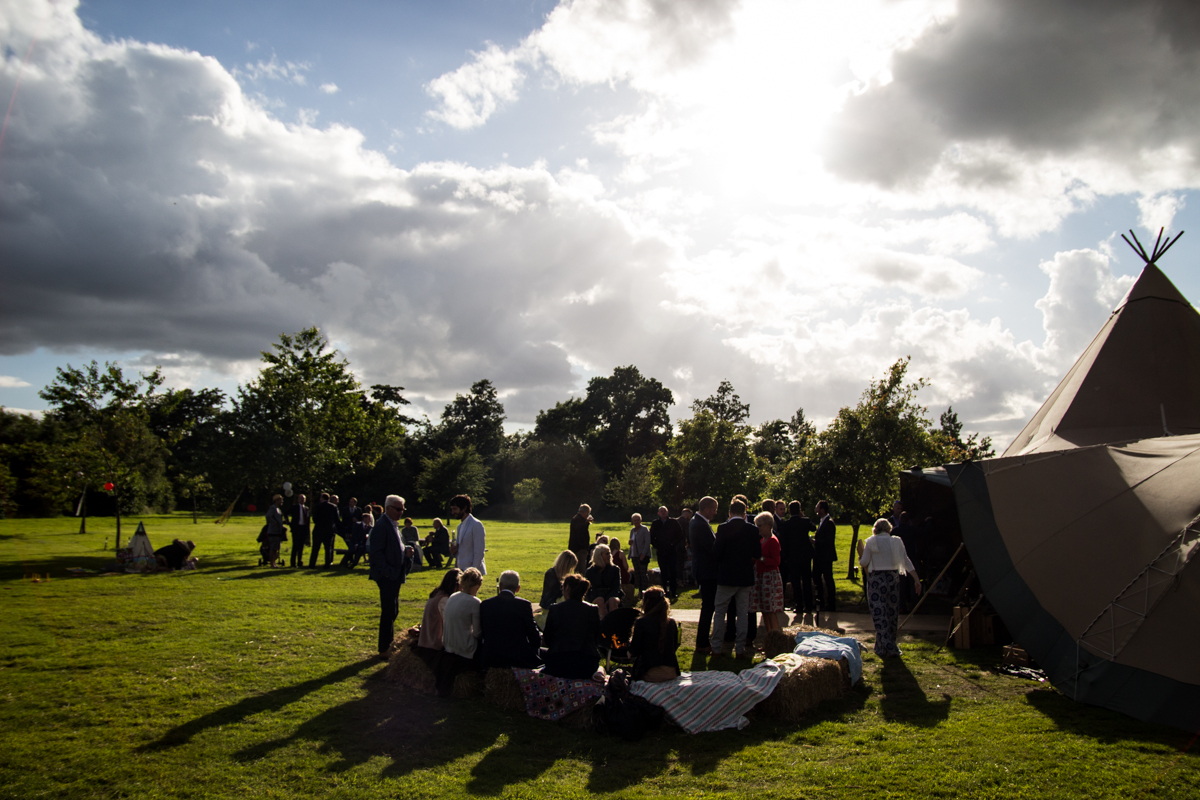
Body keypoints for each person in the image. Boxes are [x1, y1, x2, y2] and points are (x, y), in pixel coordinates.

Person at [860, 518, 922, 657]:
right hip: (892, 579)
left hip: (876, 580)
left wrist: (861, 557)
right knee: (891, 613)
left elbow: (864, 561)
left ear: (875, 529)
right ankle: (882, 647)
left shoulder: (871, 541)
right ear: (889, 529)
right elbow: (906, 560)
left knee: (879, 614)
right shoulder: (897, 541)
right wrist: (916, 580)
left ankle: (889, 647)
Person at [710, 499, 761, 658]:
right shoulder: (752, 530)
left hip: (726, 575)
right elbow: (758, 554)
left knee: (720, 612)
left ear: (730, 513)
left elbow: (716, 553)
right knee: (742, 613)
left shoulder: (723, 528)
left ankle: (717, 647)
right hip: (745, 576)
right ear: (744, 513)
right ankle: (740, 649)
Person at [368, 495, 410, 658]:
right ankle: (384, 648)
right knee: (388, 611)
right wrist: (388, 572)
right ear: (388, 509)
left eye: (403, 509)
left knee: (393, 610)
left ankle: (388, 644)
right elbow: (376, 553)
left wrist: (406, 551)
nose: (401, 513)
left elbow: (394, 547)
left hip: (394, 574)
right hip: (387, 576)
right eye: (398, 509)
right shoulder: (381, 526)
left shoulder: (393, 525)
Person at [542, 574, 601, 679]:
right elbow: (597, 637)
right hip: (586, 663)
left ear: (567, 588)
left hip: (558, 662)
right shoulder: (592, 610)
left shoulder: (555, 609)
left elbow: (547, 637)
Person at [480, 570, 542, 669]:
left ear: (500, 586)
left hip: (491, 657)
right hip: (517, 659)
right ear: (518, 588)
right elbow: (533, 635)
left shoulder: (486, 604)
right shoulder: (523, 605)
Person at [438, 567, 484, 696]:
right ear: (477, 585)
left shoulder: (452, 597)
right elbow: (477, 633)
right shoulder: (475, 602)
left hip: (448, 644)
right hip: (464, 648)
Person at [629, 586, 681, 682]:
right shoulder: (672, 622)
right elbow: (674, 646)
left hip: (650, 672)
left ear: (647, 602)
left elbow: (634, 649)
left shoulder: (642, 622)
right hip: (671, 671)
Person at [689, 496, 719, 654]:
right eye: (714, 509)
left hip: (704, 570)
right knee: (708, 607)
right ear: (706, 509)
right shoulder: (700, 524)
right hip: (707, 571)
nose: (715, 513)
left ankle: (703, 640)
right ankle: (702, 642)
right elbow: (711, 548)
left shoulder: (698, 522)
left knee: (709, 606)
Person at [778, 501, 816, 614]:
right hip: (805, 555)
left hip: (792, 557)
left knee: (795, 582)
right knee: (806, 581)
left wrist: (784, 556)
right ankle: (808, 605)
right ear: (799, 510)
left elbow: (783, 542)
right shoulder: (805, 521)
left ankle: (799, 605)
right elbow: (813, 528)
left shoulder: (786, 524)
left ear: (789, 511)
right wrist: (803, 517)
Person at [418, 568, 462, 664]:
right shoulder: (444, 600)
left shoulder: (437, 594)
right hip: (435, 642)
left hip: (428, 638)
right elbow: (450, 623)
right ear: (455, 585)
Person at [751, 511, 784, 633]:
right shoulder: (762, 540)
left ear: (768, 525)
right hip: (761, 577)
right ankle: (768, 638)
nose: (758, 529)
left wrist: (761, 559)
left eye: (760, 526)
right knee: (764, 611)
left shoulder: (773, 541)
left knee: (771, 611)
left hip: (770, 578)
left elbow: (776, 561)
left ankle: (774, 635)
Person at [649, 506, 683, 599]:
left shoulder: (674, 522)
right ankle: (664, 591)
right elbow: (651, 537)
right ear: (658, 513)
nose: (663, 513)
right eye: (661, 511)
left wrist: (673, 544)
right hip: (661, 551)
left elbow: (680, 535)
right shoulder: (655, 523)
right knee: (663, 572)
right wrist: (657, 546)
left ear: (667, 512)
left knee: (673, 571)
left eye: (664, 511)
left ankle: (673, 591)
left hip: (672, 551)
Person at [585, 543, 623, 619]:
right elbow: (588, 590)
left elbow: (616, 588)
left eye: (609, 553)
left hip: (612, 595)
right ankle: (601, 625)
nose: (609, 556)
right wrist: (600, 600)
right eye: (607, 554)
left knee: (612, 600)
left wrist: (607, 600)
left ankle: (613, 626)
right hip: (596, 596)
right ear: (599, 556)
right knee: (600, 600)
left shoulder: (615, 569)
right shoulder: (590, 571)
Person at [813, 500, 838, 613]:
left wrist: (815, 541)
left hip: (825, 556)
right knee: (817, 577)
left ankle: (831, 603)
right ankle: (821, 601)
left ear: (822, 510)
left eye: (817, 508)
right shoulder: (822, 521)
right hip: (819, 556)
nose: (816, 510)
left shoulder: (829, 523)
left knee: (828, 579)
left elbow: (828, 541)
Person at [450, 495, 486, 575]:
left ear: (464, 508)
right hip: (460, 571)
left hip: (471, 573)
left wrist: (473, 573)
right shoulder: (459, 526)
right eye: (452, 509)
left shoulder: (476, 524)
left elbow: (479, 552)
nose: (452, 512)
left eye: (455, 509)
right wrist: (454, 551)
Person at [310, 492, 340, 568]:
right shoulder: (333, 507)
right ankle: (327, 564)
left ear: (322, 498)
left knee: (315, 548)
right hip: (329, 530)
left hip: (318, 529)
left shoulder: (317, 506)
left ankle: (312, 564)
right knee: (328, 548)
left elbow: (314, 518)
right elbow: (337, 519)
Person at [628, 513, 651, 591]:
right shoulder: (632, 530)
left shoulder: (644, 529)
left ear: (641, 520)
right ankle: (640, 590)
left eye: (638, 520)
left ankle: (645, 590)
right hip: (634, 555)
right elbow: (632, 541)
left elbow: (647, 542)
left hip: (642, 555)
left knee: (643, 574)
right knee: (637, 574)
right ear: (632, 521)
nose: (636, 522)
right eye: (635, 520)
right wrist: (630, 542)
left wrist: (643, 553)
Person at [263, 494, 286, 568]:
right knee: (273, 548)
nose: (282, 501)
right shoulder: (273, 508)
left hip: (278, 531)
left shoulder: (278, 509)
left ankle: (274, 562)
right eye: (280, 500)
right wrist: (274, 522)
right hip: (273, 531)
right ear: (276, 500)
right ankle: (272, 563)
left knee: (276, 548)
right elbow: (268, 516)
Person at [289, 494, 311, 568]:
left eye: (303, 498)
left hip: (303, 528)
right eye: (301, 498)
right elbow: (286, 513)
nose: (302, 500)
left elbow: (307, 520)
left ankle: (299, 561)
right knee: (295, 546)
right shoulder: (294, 507)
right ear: (298, 500)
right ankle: (293, 562)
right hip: (296, 528)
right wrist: (290, 523)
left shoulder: (306, 509)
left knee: (301, 546)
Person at [676, 508, 693, 588]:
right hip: (681, 546)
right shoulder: (685, 523)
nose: (689, 518)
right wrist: (689, 544)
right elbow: (688, 534)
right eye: (689, 516)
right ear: (686, 515)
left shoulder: (675, 521)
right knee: (680, 564)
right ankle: (680, 581)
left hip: (674, 546)